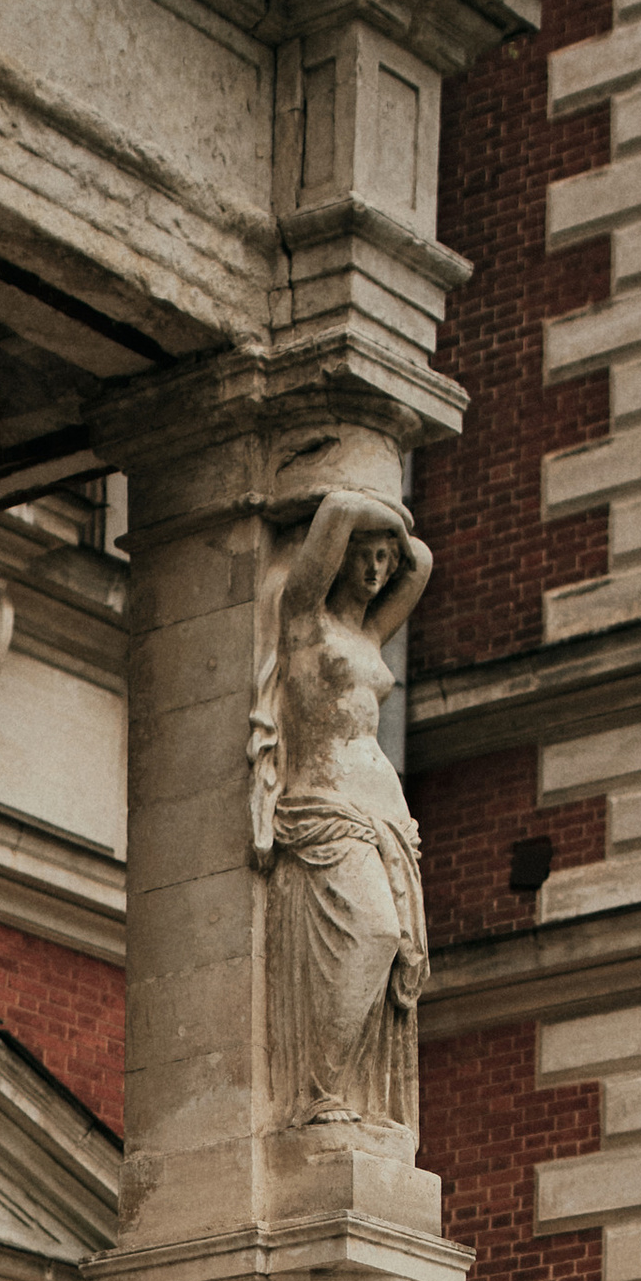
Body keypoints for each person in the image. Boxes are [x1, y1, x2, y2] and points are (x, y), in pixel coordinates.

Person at [251, 485, 434, 1132]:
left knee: (396, 961)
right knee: (375, 932)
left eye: (386, 559)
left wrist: (396, 535)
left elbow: (424, 563)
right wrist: (378, 512)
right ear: (338, 556)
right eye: (366, 555)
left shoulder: (369, 632)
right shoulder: (303, 616)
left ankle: (356, 1095)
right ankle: (318, 1091)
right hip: (324, 795)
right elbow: (336, 514)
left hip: (381, 806)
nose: (378, 569)